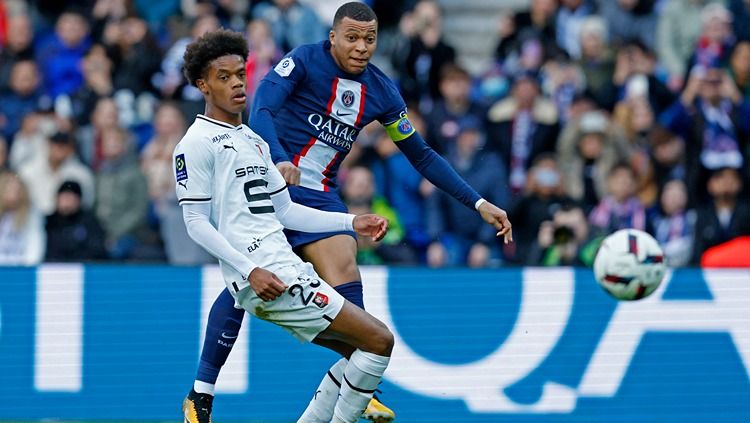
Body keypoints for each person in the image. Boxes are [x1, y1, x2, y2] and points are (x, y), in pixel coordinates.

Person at [194, 3, 513, 423]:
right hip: (267, 184)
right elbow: (264, 109)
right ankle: (201, 394)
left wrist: (477, 202)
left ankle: (360, 381)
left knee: (346, 261)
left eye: (369, 38)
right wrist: (279, 158)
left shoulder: (383, 92)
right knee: (244, 278)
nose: (361, 46)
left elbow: (421, 154)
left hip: (321, 195)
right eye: (352, 37)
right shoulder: (303, 61)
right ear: (332, 37)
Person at [177, 29, 397, 423]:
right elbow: (195, 223)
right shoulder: (196, 143)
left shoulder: (256, 141)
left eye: (240, 74)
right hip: (269, 275)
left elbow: (287, 212)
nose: (237, 84)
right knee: (378, 341)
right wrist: (250, 270)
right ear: (202, 85)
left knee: (360, 350)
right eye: (223, 77)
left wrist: (351, 221)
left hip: (283, 270)